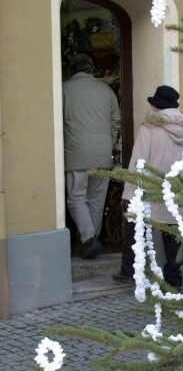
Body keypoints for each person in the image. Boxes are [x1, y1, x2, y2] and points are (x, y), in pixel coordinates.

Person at [113, 85, 183, 287]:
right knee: (174, 234)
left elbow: (138, 161)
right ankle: (174, 278)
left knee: (134, 227)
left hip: (152, 188)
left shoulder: (149, 128)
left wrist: (129, 192)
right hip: (180, 189)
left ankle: (130, 270)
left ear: (156, 106)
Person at [63, 53, 121, 259]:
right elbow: (116, 121)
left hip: (76, 152)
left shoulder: (64, 89)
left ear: (72, 69)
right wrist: (109, 141)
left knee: (76, 198)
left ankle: (89, 239)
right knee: (97, 199)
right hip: (102, 153)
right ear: (91, 69)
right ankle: (92, 239)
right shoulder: (106, 90)